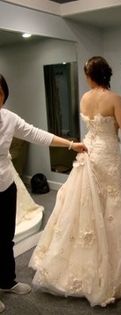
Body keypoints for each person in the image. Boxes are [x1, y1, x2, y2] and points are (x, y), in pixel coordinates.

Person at [29, 56, 121, 307]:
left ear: (91, 76)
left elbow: (89, 127)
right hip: (107, 153)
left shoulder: (85, 98)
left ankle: (77, 256)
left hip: (89, 150)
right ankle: (112, 258)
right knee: (113, 201)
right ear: (106, 74)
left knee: (84, 202)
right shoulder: (115, 99)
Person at [0, 74, 87, 313]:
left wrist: (71, 145)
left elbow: (36, 134)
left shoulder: (8, 118)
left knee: (6, 238)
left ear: (4, 95)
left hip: (6, 185)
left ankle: (6, 281)